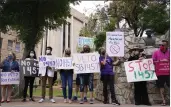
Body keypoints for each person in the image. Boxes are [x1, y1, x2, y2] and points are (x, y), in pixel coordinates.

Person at [152, 40, 170, 106]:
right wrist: (160, 61)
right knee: (161, 87)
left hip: (168, 73)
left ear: (167, 46)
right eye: (161, 45)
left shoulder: (169, 52)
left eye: (163, 45)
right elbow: (153, 61)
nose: (161, 46)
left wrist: (168, 60)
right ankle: (164, 101)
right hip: (159, 73)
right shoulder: (156, 52)